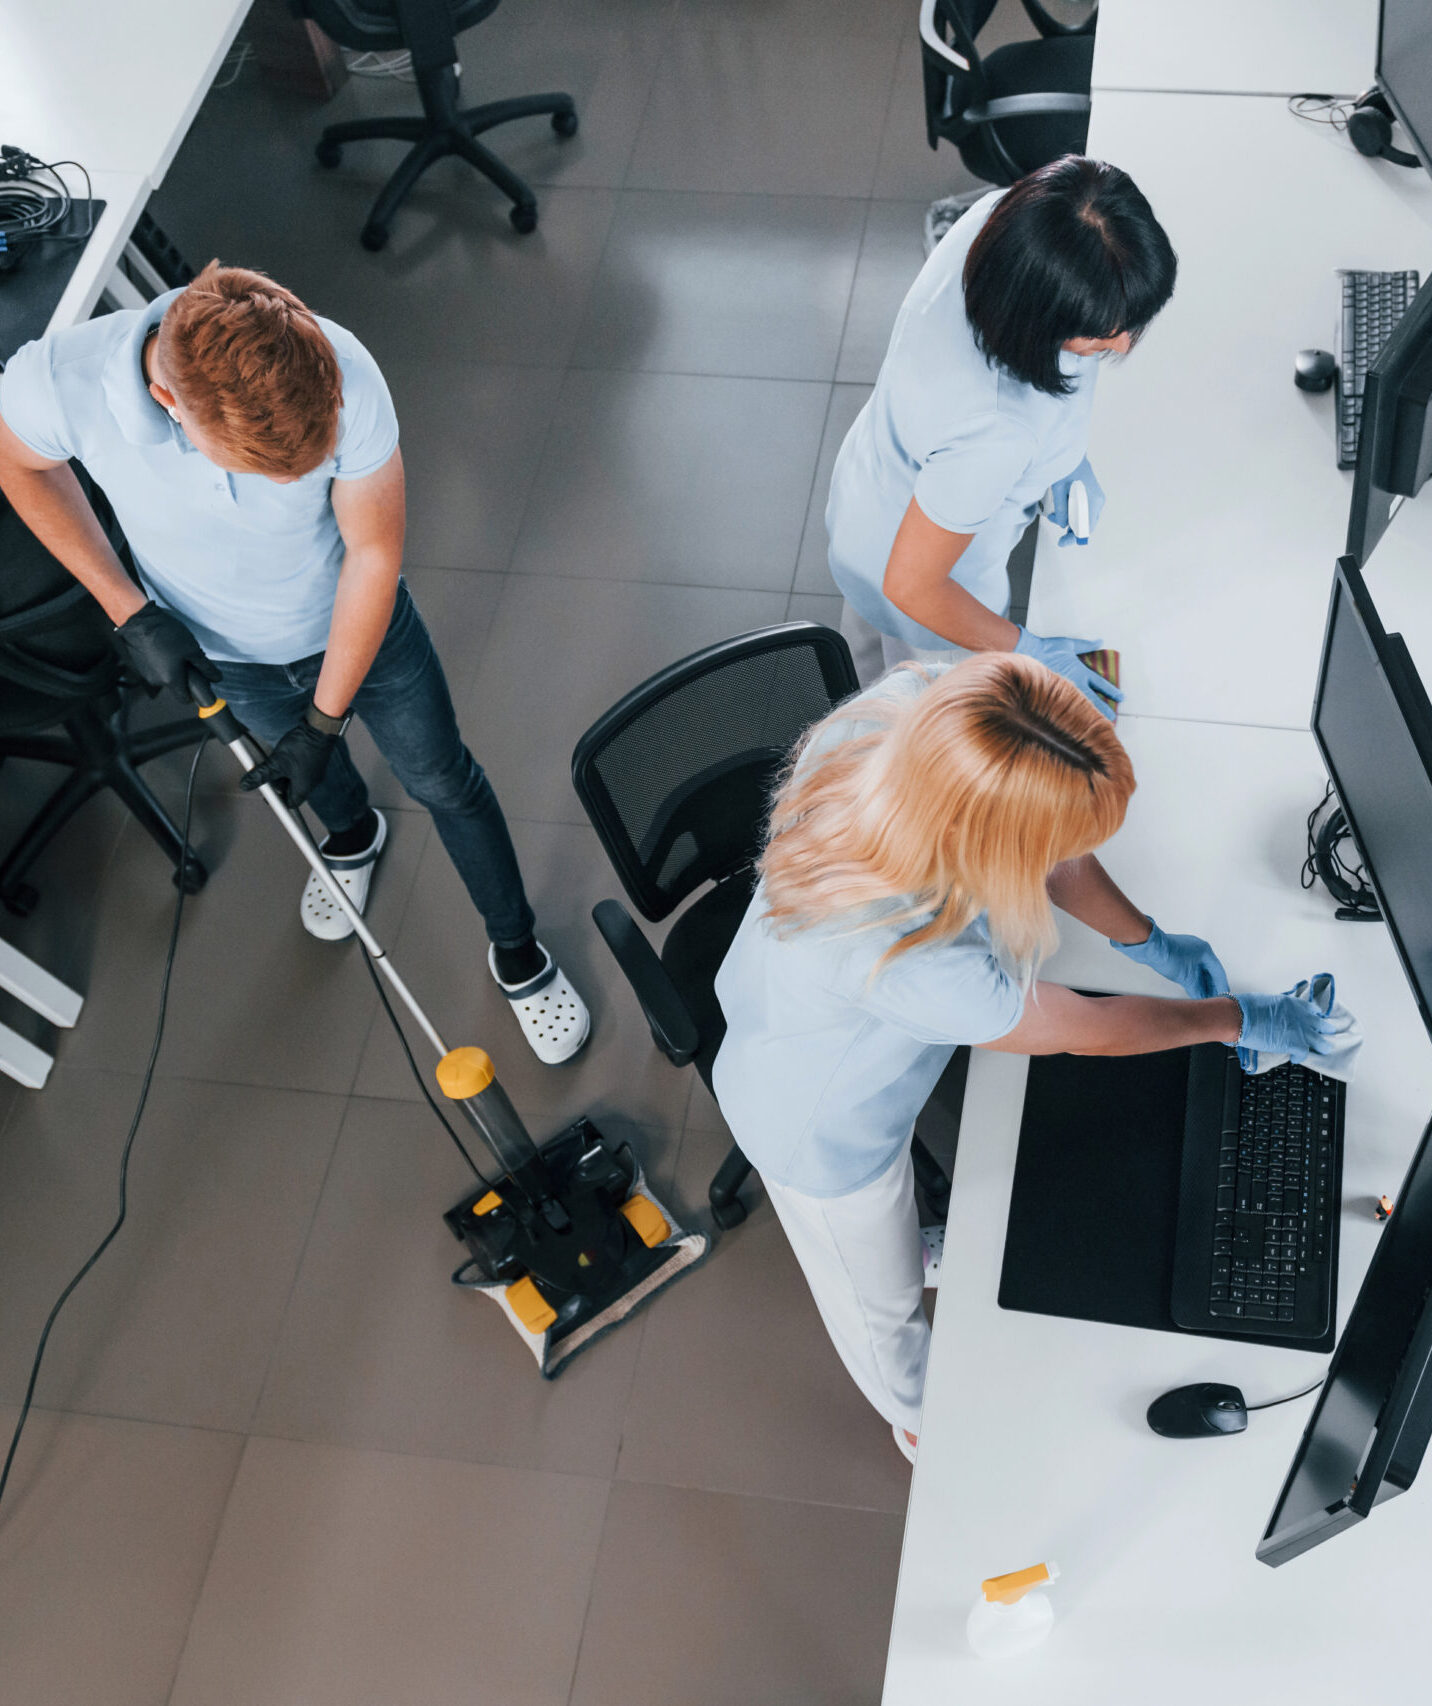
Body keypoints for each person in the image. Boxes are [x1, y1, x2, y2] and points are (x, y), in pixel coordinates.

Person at [711, 653, 1338, 1460]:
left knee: (903, 1223)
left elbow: (1054, 852)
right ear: (997, 844)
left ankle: (914, 1252)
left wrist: (1147, 940)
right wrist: (1230, 1017)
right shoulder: (907, 948)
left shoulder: (925, 713)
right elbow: (1082, 1027)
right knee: (882, 1310)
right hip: (820, 1135)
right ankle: (917, 1424)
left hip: (791, 1010)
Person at [0, 263, 589, 1063]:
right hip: (222, 651)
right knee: (311, 777)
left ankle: (516, 945)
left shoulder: (339, 372)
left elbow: (373, 552)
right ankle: (353, 835)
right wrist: (126, 607)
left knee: (443, 778)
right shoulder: (60, 380)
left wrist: (325, 717)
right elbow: (18, 464)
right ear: (172, 405)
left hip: (362, 630)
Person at [826, 155, 1177, 711]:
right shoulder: (994, 429)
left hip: (876, 487)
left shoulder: (1010, 223)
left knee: (871, 670)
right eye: (1099, 338)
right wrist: (1028, 649)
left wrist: (1062, 461)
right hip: (929, 584)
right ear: (1037, 324)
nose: (1124, 347)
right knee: (917, 719)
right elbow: (915, 587)